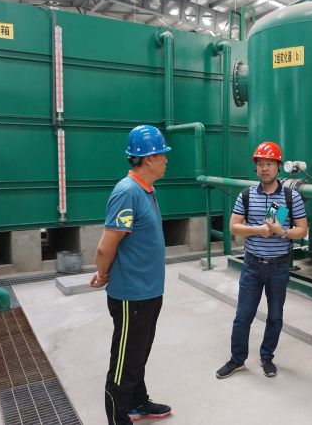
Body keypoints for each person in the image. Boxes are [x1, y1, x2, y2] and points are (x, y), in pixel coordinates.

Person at [89, 125, 173, 424]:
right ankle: (118, 417)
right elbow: (105, 246)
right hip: (131, 296)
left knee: (138, 354)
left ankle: (138, 402)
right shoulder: (127, 192)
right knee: (124, 362)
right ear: (148, 158)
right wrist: (103, 273)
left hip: (149, 291)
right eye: (162, 154)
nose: (166, 159)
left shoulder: (146, 190)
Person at [215, 141, 308, 379]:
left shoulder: (291, 197)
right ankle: (237, 359)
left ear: (278, 166)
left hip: (279, 266)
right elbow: (234, 226)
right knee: (243, 315)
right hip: (252, 265)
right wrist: (258, 230)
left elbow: (302, 230)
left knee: (275, 316)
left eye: (269, 164)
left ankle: (267, 357)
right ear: (255, 167)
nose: (264, 168)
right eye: (260, 164)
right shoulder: (246, 195)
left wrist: (281, 232)